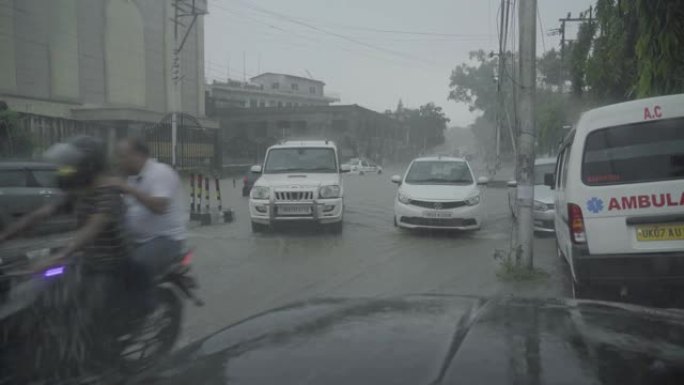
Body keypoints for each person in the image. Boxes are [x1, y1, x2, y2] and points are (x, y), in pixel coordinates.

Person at [112, 137, 187, 309]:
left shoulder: (160, 172)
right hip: (136, 239)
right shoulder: (130, 177)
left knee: (133, 265)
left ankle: (141, 310)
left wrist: (128, 189)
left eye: (123, 156)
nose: (119, 161)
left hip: (166, 239)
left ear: (138, 155)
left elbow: (159, 206)